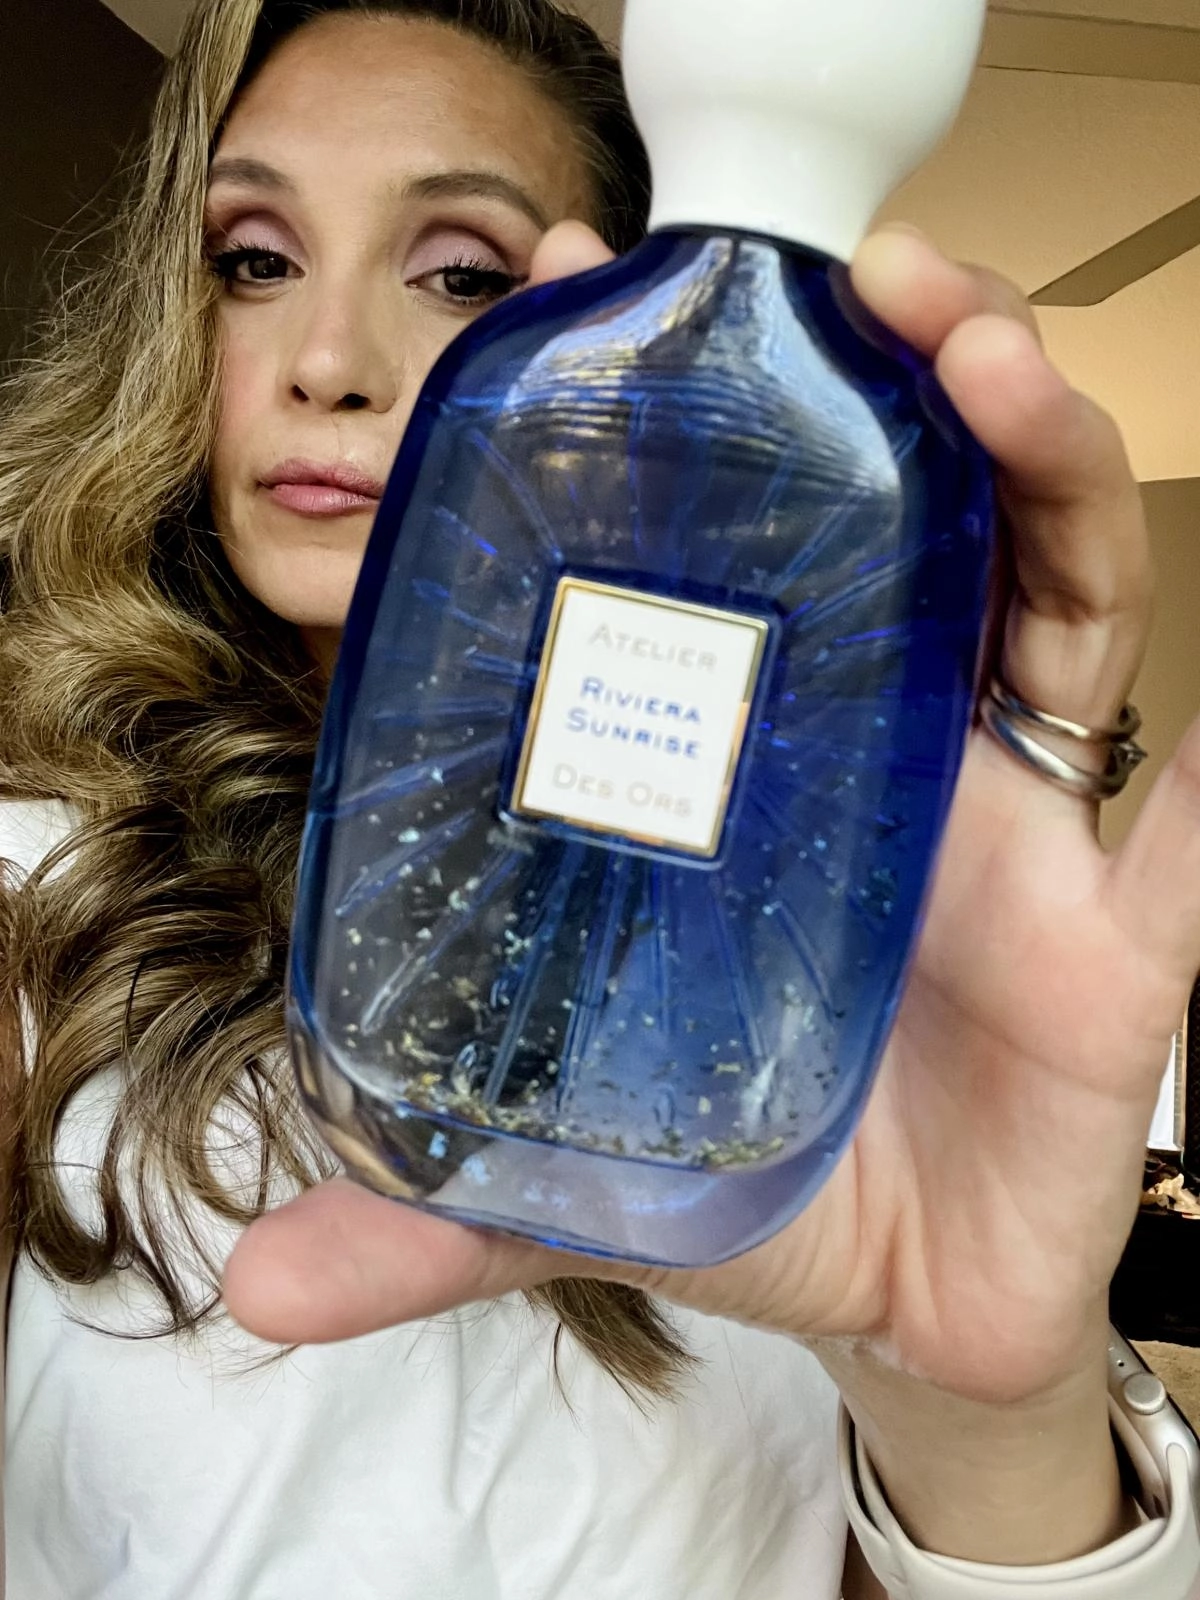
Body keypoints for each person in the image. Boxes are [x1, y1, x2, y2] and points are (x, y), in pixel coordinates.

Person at [1, 0, 1198, 1595]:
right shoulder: (34, 891)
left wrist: (991, 1412)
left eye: (462, 275)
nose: (330, 366)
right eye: (255, 259)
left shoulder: (817, 980)